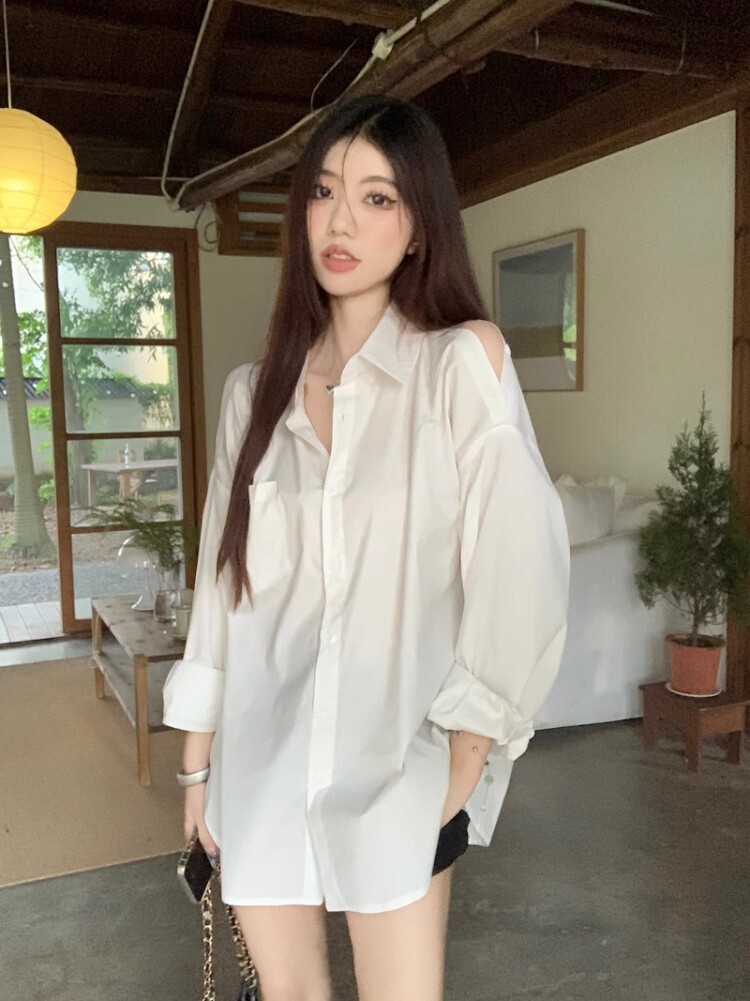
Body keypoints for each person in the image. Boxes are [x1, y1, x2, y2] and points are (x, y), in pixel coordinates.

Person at [162, 93, 570, 1001]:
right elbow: (222, 596)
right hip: (262, 760)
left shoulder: (460, 364)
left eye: (377, 197)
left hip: (400, 760)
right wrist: (197, 771)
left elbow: (522, 560)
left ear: (420, 226)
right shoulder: (250, 397)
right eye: (323, 192)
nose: (341, 221)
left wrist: (468, 751)